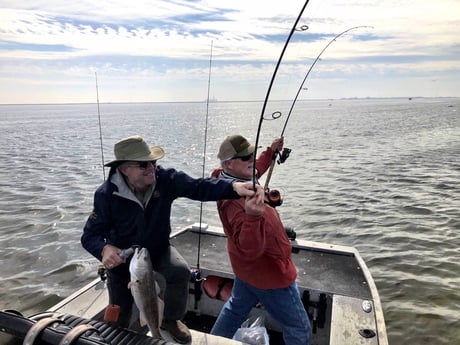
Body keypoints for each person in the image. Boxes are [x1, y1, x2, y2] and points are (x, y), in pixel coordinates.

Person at [81, 134, 263, 344]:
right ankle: (120, 334)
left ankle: (170, 320)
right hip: (124, 264)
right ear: (124, 169)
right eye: (143, 164)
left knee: (179, 272)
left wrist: (233, 188)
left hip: (158, 249)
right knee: (119, 315)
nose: (151, 167)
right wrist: (103, 250)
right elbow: (89, 236)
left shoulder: (165, 179)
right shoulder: (105, 195)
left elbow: (198, 186)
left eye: (153, 161)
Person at [210, 134, 312, 345]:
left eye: (252, 154)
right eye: (245, 157)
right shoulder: (236, 204)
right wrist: (253, 217)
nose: (251, 160)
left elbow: (255, 169)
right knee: (299, 328)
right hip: (269, 274)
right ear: (229, 163)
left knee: (234, 310)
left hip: (246, 271)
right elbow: (250, 249)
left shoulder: (229, 178)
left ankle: (212, 342)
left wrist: (271, 151)